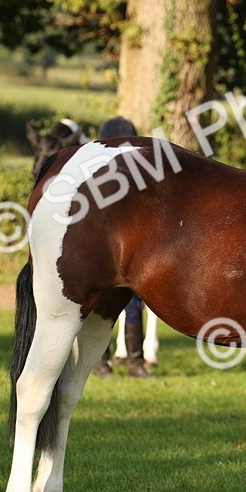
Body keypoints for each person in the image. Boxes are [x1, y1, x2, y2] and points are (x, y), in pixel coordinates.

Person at [92, 116, 151, 379]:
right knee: (107, 307)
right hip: (111, 255)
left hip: (129, 255)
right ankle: (111, 361)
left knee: (127, 306)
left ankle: (130, 362)